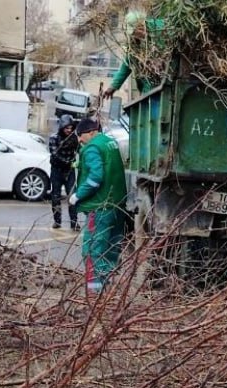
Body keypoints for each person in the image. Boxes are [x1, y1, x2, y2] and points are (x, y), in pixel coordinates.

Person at [69, 117, 128, 292]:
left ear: (90, 133)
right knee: (111, 247)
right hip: (117, 205)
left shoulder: (92, 147)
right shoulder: (110, 142)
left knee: (93, 250)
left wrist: (77, 196)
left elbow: (95, 177)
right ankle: (109, 286)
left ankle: (95, 293)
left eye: (80, 136)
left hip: (100, 205)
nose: (79, 141)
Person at [102, 10, 167, 100]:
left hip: (165, 82)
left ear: (142, 25)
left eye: (136, 31)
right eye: (132, 33)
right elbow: (128, 63)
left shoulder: (160, 29)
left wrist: (162, 59)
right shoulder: (134, 42)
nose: (135, 35)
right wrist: (113, 86)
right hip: (148, 85)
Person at [48, 114, 81, 232]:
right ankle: (57, 221)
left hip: (69, 171)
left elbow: (80, 150)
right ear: (62, 127)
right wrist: (68, 161)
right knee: (55, 196)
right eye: (67, 128)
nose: (69, 130)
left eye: (71, 128)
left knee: (72, 196)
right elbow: (54, 154)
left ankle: (74, 222)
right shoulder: (54, 138)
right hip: (56, 171)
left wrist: (78, 162)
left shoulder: (74, 138)